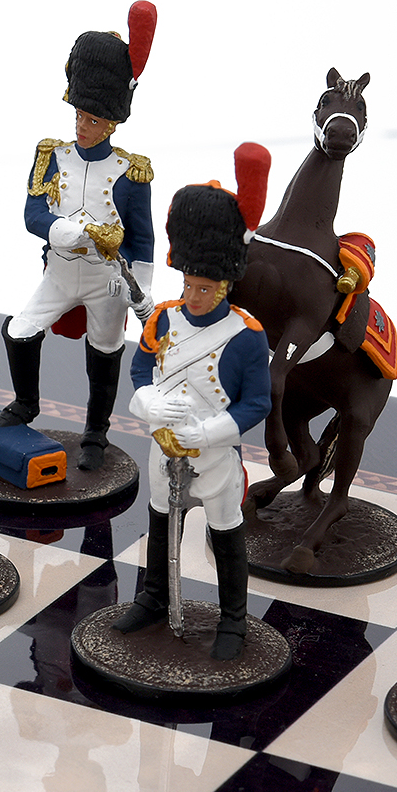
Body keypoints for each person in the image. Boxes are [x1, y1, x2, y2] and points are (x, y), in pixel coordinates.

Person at [118, 146, 272, 661]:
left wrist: (208, 433)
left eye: (203, 288)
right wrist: (148, 405)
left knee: (226, 535)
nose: (193, 296)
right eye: (187, 284)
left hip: (215, 456)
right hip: (163, 449)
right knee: (161, 525)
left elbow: (256, 404)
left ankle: (233, 620)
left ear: (224, 284)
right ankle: (153, 597)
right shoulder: (163, 317)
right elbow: (140, 371)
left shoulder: (246, 335)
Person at [0, 4, 157, 471]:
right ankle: (26, 403)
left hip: (107, 280)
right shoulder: (52, 156)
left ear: (111, 123)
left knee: (105, 351)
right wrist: (70, 232)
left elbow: (142, 238)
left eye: (92, 120)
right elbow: (32, 215)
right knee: (19, 330)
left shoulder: (131, 171)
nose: (82, 126)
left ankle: (96, 431)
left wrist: (142, 287)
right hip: (60, 272)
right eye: (80, 116)